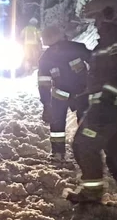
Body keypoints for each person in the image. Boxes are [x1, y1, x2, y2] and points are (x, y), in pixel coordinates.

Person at [67, 0, 117, 212]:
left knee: (83, 144)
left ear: (108, 14)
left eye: (97, 18)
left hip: (109, 108)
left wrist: (103, 101)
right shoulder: (114, 38)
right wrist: (86, 95)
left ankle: (92, 192)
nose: (96, 23)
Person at [37, 24, 91, 161]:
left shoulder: (46, 58)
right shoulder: (76, 48)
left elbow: (44, 84)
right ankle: (86, 150)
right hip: (79, 93)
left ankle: (59, 153)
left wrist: (46, 104)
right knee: (81, 123)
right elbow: (96, 62)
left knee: (58, 125)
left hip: (67, 95)